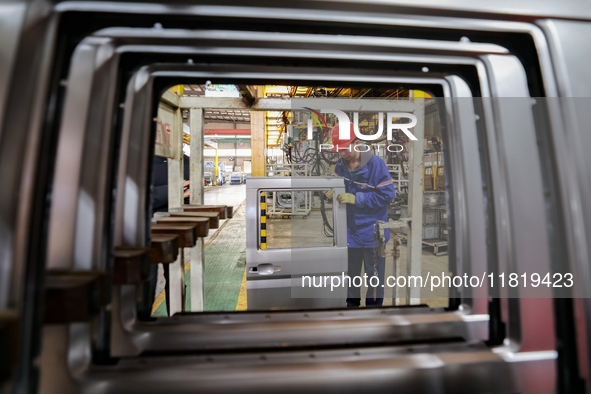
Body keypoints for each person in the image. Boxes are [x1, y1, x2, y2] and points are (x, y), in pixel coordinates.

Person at [331, 124, 396, 307]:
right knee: (351, 276)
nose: (341, 154)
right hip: (350, 233)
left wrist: (356, 199)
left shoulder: (375, 165)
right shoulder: (340, 165)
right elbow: (337, 185)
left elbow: (387, 195)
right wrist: (331, 189)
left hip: (372, 234)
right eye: (339, 150)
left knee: (373, 277)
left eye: (344, 149)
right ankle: (352, 308)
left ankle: (373, 312)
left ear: (356, 143)